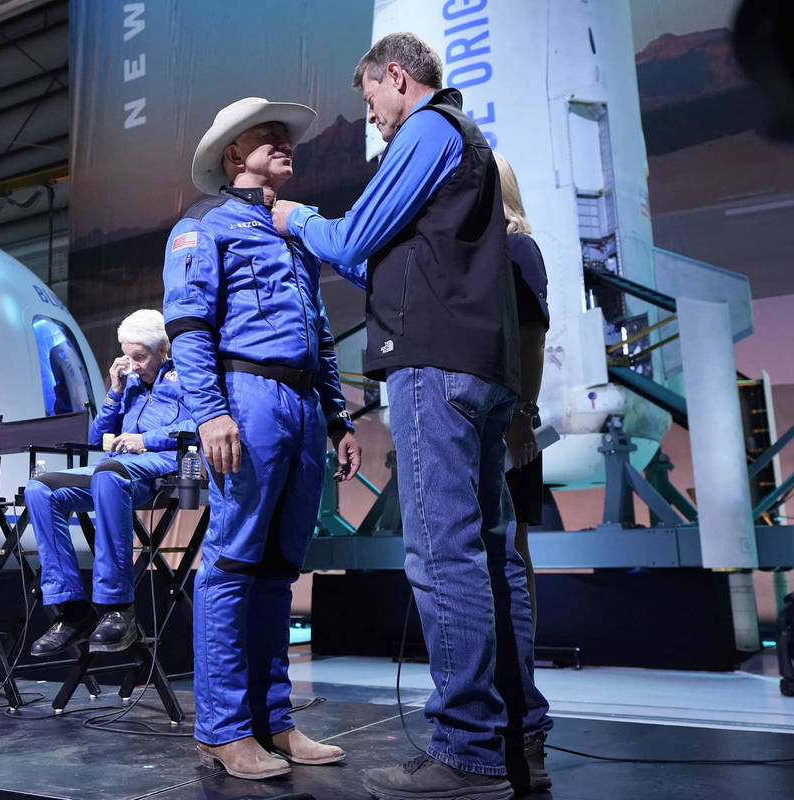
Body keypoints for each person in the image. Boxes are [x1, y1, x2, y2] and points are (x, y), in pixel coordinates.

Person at [271, 34, 552, 799]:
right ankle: (517, 738)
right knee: (491, 554)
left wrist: (297, 219)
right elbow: (384, 260)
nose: (372, 117)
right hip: (479, 370)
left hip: (436, 368)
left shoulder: (428, 129)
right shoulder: (463, 145)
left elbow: (353, 236)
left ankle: (466, 751)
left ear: (396, 77)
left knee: (444, 553)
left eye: (370, 100)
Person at [162, 97, 362, 780]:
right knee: (233, 561)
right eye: (267, 136)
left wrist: (337, 418)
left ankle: (274, 720)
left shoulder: (292, 229)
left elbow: (321, 335)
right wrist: (210, 413)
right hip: (247, 400)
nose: (284, 143)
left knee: (279, 568)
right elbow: (188, 326)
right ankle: (222, 729)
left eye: (285, 136)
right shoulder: (202, 226)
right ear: (232, 155)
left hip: (301, 407)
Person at [24, 309, 194, 656]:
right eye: (128, 357)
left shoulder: (187, 376)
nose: (134, 365)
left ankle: (117, 607)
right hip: (116, 468)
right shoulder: (128, 384)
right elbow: (96, 438)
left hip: (161, 467)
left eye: (140, 357)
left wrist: (144, 440)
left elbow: (199, 424)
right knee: (40, 488)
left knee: (108, 475)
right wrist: (114, 392)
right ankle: (72, 610)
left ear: (163, 349)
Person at [496, 151, 550, 626]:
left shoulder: (518, 250)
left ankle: (518, 659)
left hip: (510, 424)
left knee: (513, 545)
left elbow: (532, 339)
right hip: (490, 422)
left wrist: (520, 416)